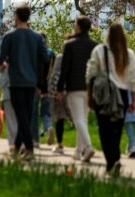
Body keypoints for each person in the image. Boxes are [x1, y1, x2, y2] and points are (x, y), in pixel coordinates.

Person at [86, 23, 135, 176]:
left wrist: (90, 95)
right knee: (117, 129)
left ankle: (112, 162)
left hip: (103, 95)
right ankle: (114, 160)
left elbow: (91, 74)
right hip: (122, 95)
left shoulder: (99, 51)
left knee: (104, 130)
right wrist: (133, 101)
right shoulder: (128, 54)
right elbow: (134, 79)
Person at [0, 4, 49, 162]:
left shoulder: (9, 37)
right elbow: (46, 58)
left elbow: (0, 58)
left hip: (16, 82)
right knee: (25, 116)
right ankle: (16, 150)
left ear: (16, 17)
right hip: (32, 82)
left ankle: (30, 149)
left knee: (22, 117)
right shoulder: (37, 37)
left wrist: (5, 64)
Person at [56, 15, 98, 162]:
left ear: (78, 26)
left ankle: (88, 147)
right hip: (90, 88)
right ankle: (78, 152)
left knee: (78, 119)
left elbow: (64, 69)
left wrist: (60, 88)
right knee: (83, 120)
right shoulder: (95, 45)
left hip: (74, 87)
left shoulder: (70, 45)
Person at [32, 32, 55, 148]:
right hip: (47, 86)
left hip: (36, 86)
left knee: (34, 113)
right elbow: (52, 71)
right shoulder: (51, 53)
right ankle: (49, 127)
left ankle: (35, 140)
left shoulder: (35, 53)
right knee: (46, 112)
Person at [48, 53, 71, 155]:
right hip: (70, 97)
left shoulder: (55, 73)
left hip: (58, 99)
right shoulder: (69, 72)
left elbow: (52, 86)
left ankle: (60, 144)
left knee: (59, 121)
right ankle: (83, 145)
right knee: (77, 120)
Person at [0, 66, 17, 154]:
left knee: (11, 121)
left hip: (8, 97)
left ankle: (13, 144)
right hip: (21, 96)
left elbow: (0, 83)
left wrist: (0, 73)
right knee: (19, 120)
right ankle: (21, 143)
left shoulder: (6, 68)